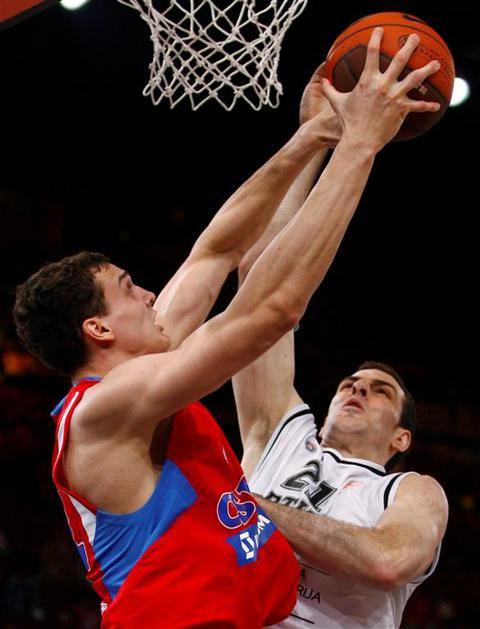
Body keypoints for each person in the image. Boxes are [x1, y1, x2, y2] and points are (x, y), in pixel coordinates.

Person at [14, 29, 440, 628]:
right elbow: (272, 310)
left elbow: (216, 253)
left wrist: (312, 137)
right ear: (99, 329)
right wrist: (360, 146)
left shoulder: (144, 370)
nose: (150, 294)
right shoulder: (106, 408)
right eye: (130, 289)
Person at [232, 50, 449, 629]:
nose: (357, 389)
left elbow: (386, 561)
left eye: (380, 391)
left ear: (401, 437)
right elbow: (259, 280)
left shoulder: (411, 491)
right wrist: (313, 139)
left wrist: (246, 506)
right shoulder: (279, 432)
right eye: (352, 382)